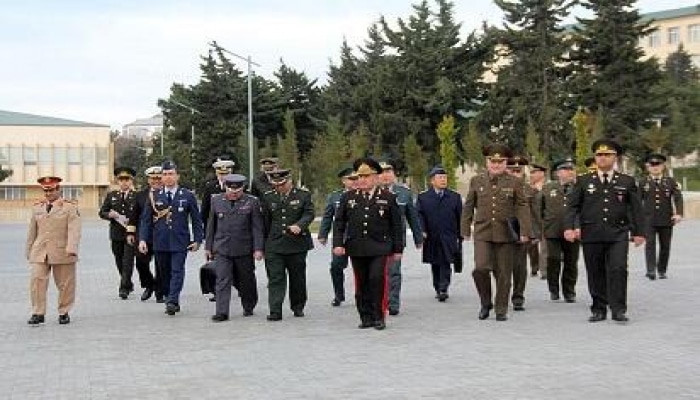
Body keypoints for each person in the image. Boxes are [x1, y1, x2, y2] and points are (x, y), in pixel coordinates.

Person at [564, 139, 645, 323]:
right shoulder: (584, 181)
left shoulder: (627, 181)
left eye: (607, 155)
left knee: (618, 269)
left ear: (615, 157)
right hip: (591, 233)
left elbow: (635, 209)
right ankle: (599, 308)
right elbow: (572, 207)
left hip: (618, 233)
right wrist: (569, 227)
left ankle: (618, 309)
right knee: (595, 270)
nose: (602, 158)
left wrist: (639, 232)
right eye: (599, 155)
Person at [461, 143, 531, 322]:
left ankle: (501, 309)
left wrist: (524, 230)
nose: (496, 164)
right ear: (487, 162)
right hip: (483, 231)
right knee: (480, 268)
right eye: (493, 161)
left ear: (506, 162)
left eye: (500, 161)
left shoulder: (515, 182)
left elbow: (522, 206)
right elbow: (469, 205)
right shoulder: (476, 180)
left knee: (503, 273)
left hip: (505, 233)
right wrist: (464, 228)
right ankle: (485, 302)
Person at [333, 158, 404, 330]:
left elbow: (396, 225)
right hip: (357, 247)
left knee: (376, 279)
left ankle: (379, 316)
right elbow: (339, 223)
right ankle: (365, 316)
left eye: (366, 176)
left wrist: (398, 249)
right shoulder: (348, 197)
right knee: (361, 282)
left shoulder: (388, 197)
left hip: (380, 247)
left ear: (375, 178)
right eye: (359, 177)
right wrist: (338, 244)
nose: (362, 180)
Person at [138, 161, 204, 316]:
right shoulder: (155, 196)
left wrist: (198, 239)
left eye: (171, 174)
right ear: (161, 177)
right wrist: (142, 239)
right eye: (165, 174)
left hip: (180, 241)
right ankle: (169, 296)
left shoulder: (187, 195)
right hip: (160, 241)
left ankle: (173, 300)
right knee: (164, 272)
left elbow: (196, 219)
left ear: (177, 176)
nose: (168, 177)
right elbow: (146, 220)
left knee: (177, 270)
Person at [205, 174, 264, 322]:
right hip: (222, 248)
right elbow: (211, 225)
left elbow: (257, 227)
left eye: (237, 190)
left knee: (246, 280)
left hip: (244, 248)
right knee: (222, 280)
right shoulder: (216, 200)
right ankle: (222, 311)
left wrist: (258, 248)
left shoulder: (252, 202)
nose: (234, 192)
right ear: (226, 187)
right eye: (231, 189)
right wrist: (208, 247)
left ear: (242, 188)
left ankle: (249, 304)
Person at [26, 176, 81, 325]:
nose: (48, 193)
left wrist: (72, 248)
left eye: (51, 190)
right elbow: (32, 231)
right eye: (45, 190)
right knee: (36, 281)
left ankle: (64, 311)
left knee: (65, 284)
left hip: (63, 251)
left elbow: (74, 230)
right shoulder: (37, 207)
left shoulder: (69, 207)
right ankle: (38, 312)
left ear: (58, 189)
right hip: (40, 251)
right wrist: (29, 250)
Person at [260, 169, 315, 321]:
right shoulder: (268, 197)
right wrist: (262, 244)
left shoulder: (303, 195)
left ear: (289, 181)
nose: (279, 187)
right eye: (276, 185)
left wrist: (300, 225)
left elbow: (309, 213)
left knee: (297, 277)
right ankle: (275, 310)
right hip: (274, 243)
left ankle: (298, 306)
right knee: (275, 277)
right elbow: (264, 221)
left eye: (282, 184)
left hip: (297, 243)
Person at [378, 160, 423, 316]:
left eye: (388, 172)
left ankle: (393, 303)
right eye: (382, 172)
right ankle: (378, 301)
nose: (385, 175)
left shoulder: (403, 192)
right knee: (376, 272)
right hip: (375, 240)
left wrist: (418, 238)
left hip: (396, 239)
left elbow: (412, 216)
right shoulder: (371, 192)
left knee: (394, 272)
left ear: (394, 174)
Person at [416, 166, 462, 302]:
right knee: (435, 262)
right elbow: (419, 215)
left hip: (449, 235)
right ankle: (437, 286)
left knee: (446, 261)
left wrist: (461, 234)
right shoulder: (423, 197)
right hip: (431, 236)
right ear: (432, 181)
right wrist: (422, 230)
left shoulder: (454, 197)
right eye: (440, 178)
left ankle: (444, 288)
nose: (443, 180)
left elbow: (460, 216)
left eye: (445, 178)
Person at [537, 158, 580, 302]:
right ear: (558, 173)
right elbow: (540, 208)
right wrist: (541, 227)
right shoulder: (548, 188)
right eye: (566, 169)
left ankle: (569, 291)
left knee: (571, 261)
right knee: (553, 259)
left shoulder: (579, 187)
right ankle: (553, 288)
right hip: (552, 230)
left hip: (573, 231)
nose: (569, 172)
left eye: (571, 169)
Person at [317, 166, 358, 307]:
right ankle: (338, 295)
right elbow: (328, 216)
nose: (354, 181)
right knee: (336, 266)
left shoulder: (362, 194)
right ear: (343, 181)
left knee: (361, 267)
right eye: (350, 179)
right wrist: (323, 234)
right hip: (341, 237)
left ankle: (363, 294)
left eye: (356, 178)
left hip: (359, 237)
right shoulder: (335, 196)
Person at [639, 153, 683, 280]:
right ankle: (651, 270)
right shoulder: (643, 183)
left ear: (663, 166)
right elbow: (637, 201)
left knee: (665, 246)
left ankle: (662, 269)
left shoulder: (670, 182)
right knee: (650, 244)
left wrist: (679, 213)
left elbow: (678, 198)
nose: (655, 167)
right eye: (652, 165)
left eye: (657, 164)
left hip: (666, 219)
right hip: (649, 219)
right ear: (648, 167)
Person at [199, 156, 236, 302]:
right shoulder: (210, 187)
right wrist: (206, 230)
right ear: (216, 173)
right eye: (221, 174)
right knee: (216, 261)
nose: (223, 176)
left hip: (234, 230)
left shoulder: (238, 186)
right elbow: (205, 210)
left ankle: (239, 284)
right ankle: (216, 290)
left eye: (226, 173)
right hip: (216, 230)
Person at [505, 155, 540, 312]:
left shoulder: (530, 191)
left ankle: (518, 297)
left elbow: (536, 213)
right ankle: (502, 294)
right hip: (502, 232)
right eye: (512, 171)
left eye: (518, 171)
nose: (515, 174)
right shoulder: (498, 187)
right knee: (502, 266)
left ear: (523, 172)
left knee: (519, 266)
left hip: (522, 233)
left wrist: (535, 233)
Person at [99, 167, 138, 300]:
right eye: (121, 179)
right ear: (117, 181)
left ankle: (123, 288)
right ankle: (128, 282)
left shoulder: (136, 196)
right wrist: (109, 214)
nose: (124, 182)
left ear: (131, 181)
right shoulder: (112, 196)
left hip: (131, 234)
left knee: (128, 261)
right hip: (116, 234)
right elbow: (102, 212)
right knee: (119, 261)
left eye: (127, 179)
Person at [126, 166, 161, 302]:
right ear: (148, 180)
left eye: (158, 178)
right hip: (144, 236)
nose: (156, 181)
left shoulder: (166, 194)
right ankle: (149, 284)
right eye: (153, 178)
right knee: (141, 263)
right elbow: (133, 215)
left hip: (161, 235)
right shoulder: (140, 195)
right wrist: (130, 233)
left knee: (160, 265)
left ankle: (160, 292)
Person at [527, 163, 548, 278]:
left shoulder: (549, 187)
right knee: (532, 247)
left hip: (545, 220)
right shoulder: (528, 188)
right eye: (531, 173)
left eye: (534, 172)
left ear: (542, 174)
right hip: (532, 220)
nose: (532, 175)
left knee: (545, 246)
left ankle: (544, 270)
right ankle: (534, 266)